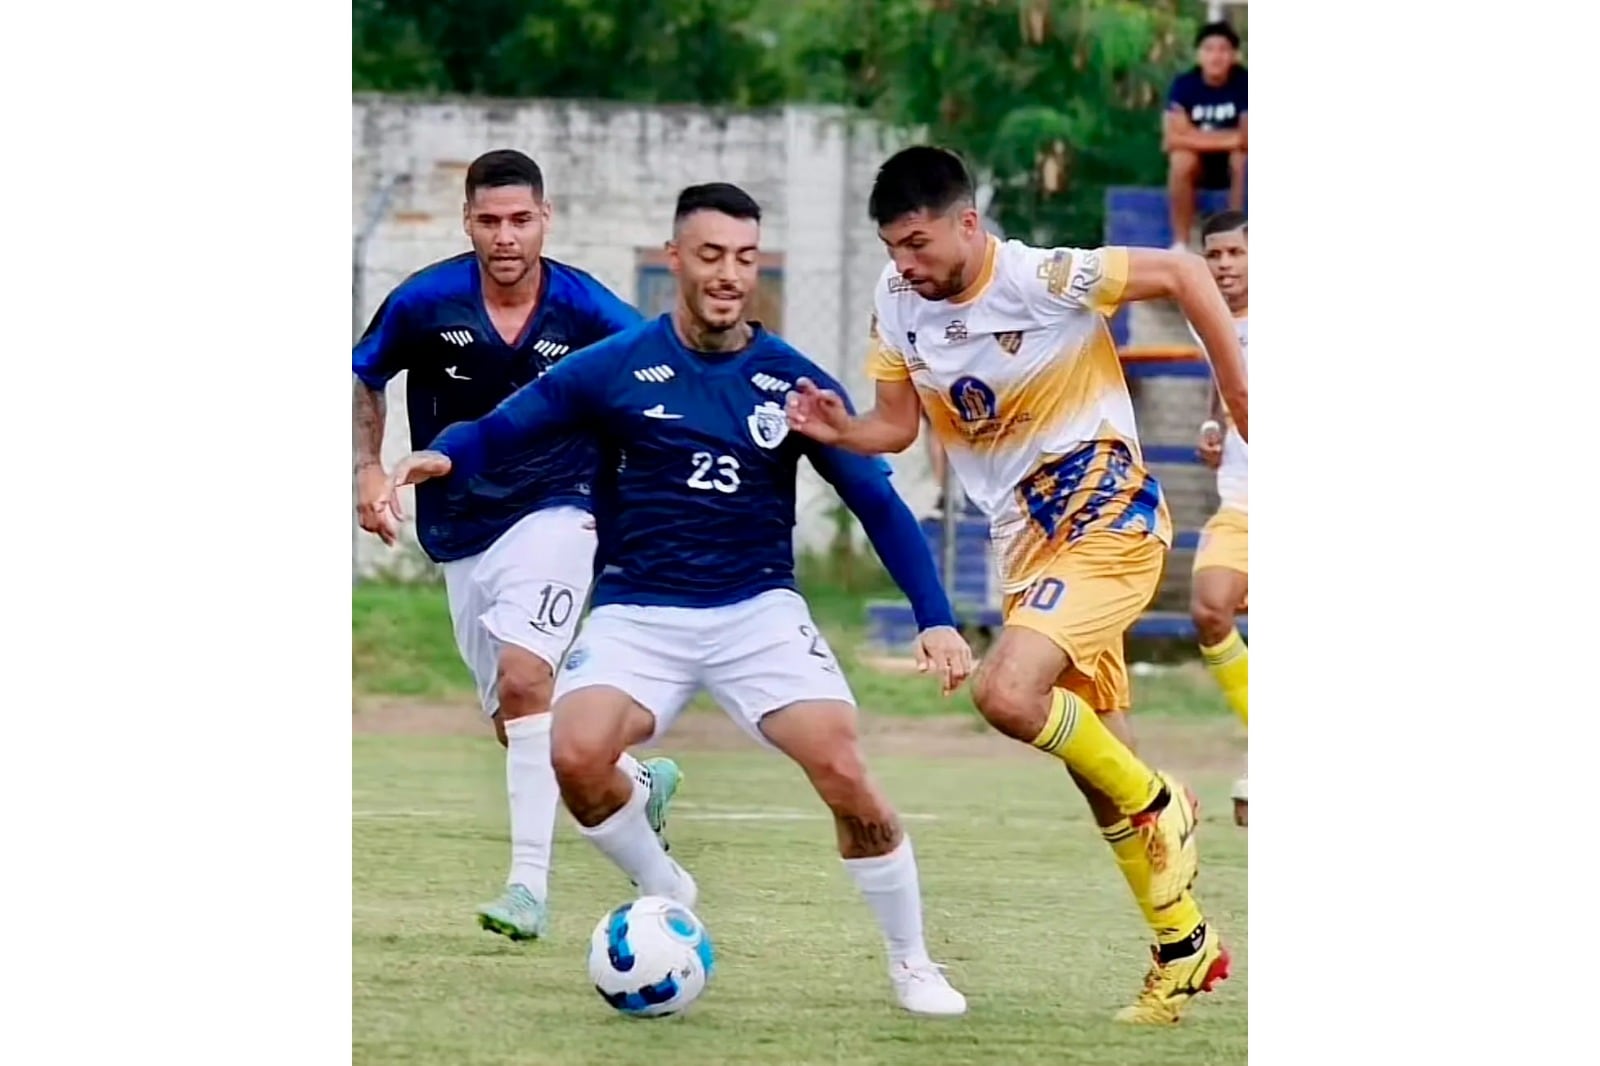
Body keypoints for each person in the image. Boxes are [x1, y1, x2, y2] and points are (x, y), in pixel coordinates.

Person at [387, 182, 975, 1017]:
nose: (729, 273)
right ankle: (667, 886)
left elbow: (877, 502)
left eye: (744, 257)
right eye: (710, 255)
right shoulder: (615, 367)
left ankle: (913, 962)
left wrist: (938, 618)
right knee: (575, 754)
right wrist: (442, 458)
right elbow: (506, 425)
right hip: (638, 611)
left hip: (758, 611)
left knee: (844, 769)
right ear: (676, 262)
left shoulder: (790, 383)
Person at [784, 145, 1249, 1025]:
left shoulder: (1042, 276)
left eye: (917, 244)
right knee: (1091, 770)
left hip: (1106, 510)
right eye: (892, 247)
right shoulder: (899, 303)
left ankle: (1166, 801)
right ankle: (1185, 946)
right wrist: (839, 427)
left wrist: (1241, 389)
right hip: (1026, 545)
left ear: (967, 223)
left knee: (1006, 694)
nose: (904, 264)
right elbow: (893, 425)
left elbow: (1187, 271)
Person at [352, 148, 682, 942]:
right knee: (518, 722)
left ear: (545, 219)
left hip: (559, 511)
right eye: (490, 221)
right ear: (468, 222)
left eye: (521, 220)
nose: (506, 236)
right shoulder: (426, 300)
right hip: (460, 528)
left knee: (526, 675)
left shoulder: (585, 308)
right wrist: (367, 465)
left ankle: (526, 888)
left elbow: (659, 373)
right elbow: (363, 375)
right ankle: (637, 783)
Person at [1188, 210, 1249, 825]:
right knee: (1209, 607)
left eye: (1235, 253)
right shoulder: (1209, 317)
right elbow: (1223, 381)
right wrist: (1213, 423)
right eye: (1215, 255)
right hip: (1241, 500)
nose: (1225, 266)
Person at [1163, 21, 1247, 250]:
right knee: (1181, 159)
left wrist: (1192, 135)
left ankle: (1235, 237)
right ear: (1199, 55)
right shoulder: (1184, 85)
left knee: (1241, 159)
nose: (1215, 57)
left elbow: (1248, 138)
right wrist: (1230, 139)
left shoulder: (1245, 83)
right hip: (1199, 165)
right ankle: (1181, 244)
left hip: (1235, 166)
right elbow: (1171, 139)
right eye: (1209, 49)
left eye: (1223, 50)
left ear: (1234, 55)